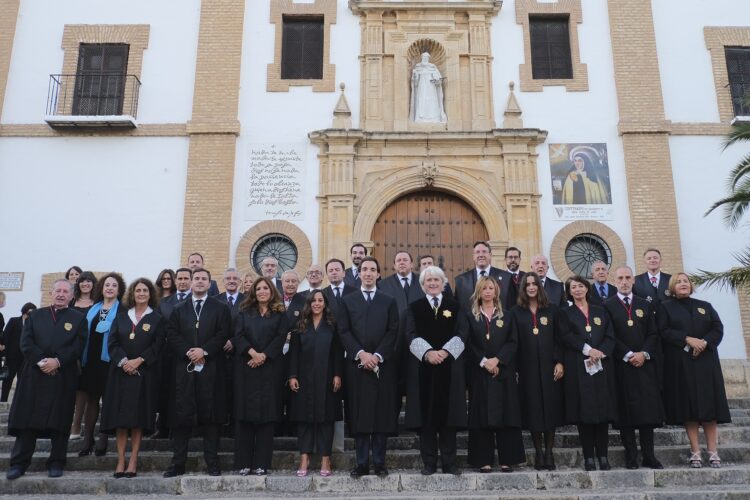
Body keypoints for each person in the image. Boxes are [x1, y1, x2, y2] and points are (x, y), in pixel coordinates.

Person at [5, 280, 86, 480]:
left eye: (65, 291)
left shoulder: (78, 318)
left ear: (71, 295)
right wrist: (43, 362)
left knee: (60, 420)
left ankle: (56, 462)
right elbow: (26, 342)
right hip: (34, 374)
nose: (61, 294)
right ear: (51, 293)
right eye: (57, 290)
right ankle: (19, 463)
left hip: (62, 375)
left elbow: (78, 346)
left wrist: (57, 361)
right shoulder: (36, 316)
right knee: (27, 420)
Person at [658, 272, 730, 468]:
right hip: (682, 363)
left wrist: (704, 343)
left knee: (710, 408)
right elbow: (664, 331)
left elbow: (718, 328)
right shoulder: (665, 307)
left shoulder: (704, 306)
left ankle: (713, 452)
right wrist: (688, 340)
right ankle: (695, 451)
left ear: (691, 285)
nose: (683, 284)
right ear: (672, 287)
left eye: (686, 281)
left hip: (706, 363)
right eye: (678, 282)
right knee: (689, 408)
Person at [163, 268, 231, 477]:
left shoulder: (220, 308)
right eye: (197, 279)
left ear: (210, 284)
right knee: (182, 417)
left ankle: (212, 463)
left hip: (211, 369)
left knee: (211, 418)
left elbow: (224, 333)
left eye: (204, 279)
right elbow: (171, 333)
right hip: (185, 369)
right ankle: (178, 464)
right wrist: (189, 351)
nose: (200, 282)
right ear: (190, 282)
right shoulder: (178, 308)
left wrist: (205, 350)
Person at [338, 257, 399, 478]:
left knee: (381, 417)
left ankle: (380, 463)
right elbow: (343, 330)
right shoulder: (348, 301)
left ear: (378, 274)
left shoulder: (388, 300)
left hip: (382, 367)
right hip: (357, 366)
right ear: (359, 274)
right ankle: (362, 463)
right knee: (360, 416)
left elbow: (393, 331)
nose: (368, 273)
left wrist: (377, 356)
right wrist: (361, 354)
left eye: (373, 269)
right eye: (364, 269)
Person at [404, 266, 466, 475]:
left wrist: (446, 352)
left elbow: (462, 332)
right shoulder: (414, 307)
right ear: (422, 285)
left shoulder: (454, 307)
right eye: (428, 280)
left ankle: (449, 462)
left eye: (436, 280)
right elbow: (409, 334)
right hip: (424, 369)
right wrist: (428, 352)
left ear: (443, 283)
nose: (432, 283)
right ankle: (429, 462)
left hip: (449, 369)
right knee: (427, 418)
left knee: (448, 419)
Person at [458, 276, 524, 473]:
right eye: (484, 288)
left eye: (491, 288)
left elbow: (513, 342)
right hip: (479, 373)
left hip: (503, 372)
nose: (488, 291)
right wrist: (484, 362)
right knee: (480, 415)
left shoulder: (508, 315)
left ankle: (508, 459)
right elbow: (467, 343)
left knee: (507, 413)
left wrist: (498, 360)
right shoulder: (469, 316)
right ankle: (483, 459)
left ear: (497, 292)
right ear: (479, 291)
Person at [101, 278, 165, 478]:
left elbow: (158, 345)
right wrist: (124, 361)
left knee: (137, 420)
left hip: (143, 375)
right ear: (132, 293)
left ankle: (133, 460)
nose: (142, 293)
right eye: (138, 290)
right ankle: (120, 460)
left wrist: (139, 360)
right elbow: (112, 343)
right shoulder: (121, 317)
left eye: (145, 290)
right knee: (121, 420)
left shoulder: (157, 319)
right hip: (120, 374)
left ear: (151, 294)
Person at [603, 266, 664, 470]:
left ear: (633, 280)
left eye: (628, 277)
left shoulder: (644, 304)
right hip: (622, 366)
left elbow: (653, 333)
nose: (624, 281)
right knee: (626, 413)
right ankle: (631, 455)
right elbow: (609, 335)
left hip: (644, 365)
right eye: (620, 278)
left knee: (647, 413)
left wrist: (643, 354)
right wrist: (628, 354)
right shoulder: (607, 305)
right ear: (615, 280)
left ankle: (649, 455)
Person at [233, 277, 288, 476]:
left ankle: (261, 463)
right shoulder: (244, 312)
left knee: (267, 417)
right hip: (247, 368)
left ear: (272, 291)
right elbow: (238, 336)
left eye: (266, 288)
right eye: (259, 288)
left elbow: (281, 336)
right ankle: (244, 463)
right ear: (253, 292)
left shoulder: (280, 314)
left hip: (270, 368)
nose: (262, 291)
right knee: (245, 416)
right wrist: (252, 353)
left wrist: (264, 355)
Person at [561, 275, 617, 471]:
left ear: (587, 288)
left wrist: (600, 352)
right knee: (584, 413)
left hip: (601, 366)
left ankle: (603, 456)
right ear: (569, 291)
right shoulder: (565, 313)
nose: (577, 290)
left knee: (602, 412)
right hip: (579, 366)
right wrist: (588, 350)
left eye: (580, 286)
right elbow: (566, 336)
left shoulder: (600, 311)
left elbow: (610, 335)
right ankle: (589, 458)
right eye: (573, 287)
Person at [512, 272, 565, 470]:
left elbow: (560, 338)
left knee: (549, 409)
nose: (532, 287)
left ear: (540, 287)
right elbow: (514, 342)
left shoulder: (552, 310)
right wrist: (516, 368)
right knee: (533, 409)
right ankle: (538, 453)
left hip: (549, 368)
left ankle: (549, 452)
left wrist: (559, 362)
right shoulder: (516, 312)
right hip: (527, 370)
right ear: (523, 288)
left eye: (535, 284)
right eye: (528, 284)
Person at [288, 290, 343, 477]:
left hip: (327, 378)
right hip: (304, 378)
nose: (317, 303)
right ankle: (304, 457)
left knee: (326, 419)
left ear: (325, 304)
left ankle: (326, 458)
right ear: (309, 303)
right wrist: (292, 375)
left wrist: (337, 374)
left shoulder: (332, 325)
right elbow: (293, 352)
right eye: (314, 300)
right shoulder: (300, 325)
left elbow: (337, 352)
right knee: (304, 420)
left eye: (320, 300)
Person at [79, 272, 126, 457]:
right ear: (102, 288)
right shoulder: (93, 308)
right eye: (107, 285)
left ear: (119, 289)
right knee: (91, 399)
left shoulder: (123, 310)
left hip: (110, 360)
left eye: (114, 285)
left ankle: (103, 439)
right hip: (90, 359)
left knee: (108, 400)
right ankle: (87, 438)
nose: (110, 288)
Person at [152, 267, 192, 440]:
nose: (182, 281)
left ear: (190, 280)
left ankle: (188, 427)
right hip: (168, 354)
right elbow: (159, 329)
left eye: (185, 278)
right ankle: (163, 427)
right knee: (166, 391)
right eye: (180, 279)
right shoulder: (164, 303)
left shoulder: (198, 300)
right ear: (175, 281)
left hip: (190, 354)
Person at [70, 271, 97, 440]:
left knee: (83, 389)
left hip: (89, 351)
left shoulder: (97, 304)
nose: (85, 284)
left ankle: (76, 425)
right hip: (71, 349)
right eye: (82, 281)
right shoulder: (71, 302)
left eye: (89, 281)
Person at [0, 303, 37, 403]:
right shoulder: (14, 320)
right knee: (8, 379)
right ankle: (3, 401)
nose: (30, 315)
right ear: (24, 311)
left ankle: (18, 402)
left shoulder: (33, 325)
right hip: (12, 357)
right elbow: (6, 336)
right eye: (29, 313)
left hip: (25, 358)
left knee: (22, 381)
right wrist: (4, 354)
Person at [454, 241, 504, 313]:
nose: (481, 255)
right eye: (477, 252)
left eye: (484, 252)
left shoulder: (506, 278)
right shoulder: (461, 280)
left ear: (490, 255)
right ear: (473, 257)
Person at [410, 52, 447, 123]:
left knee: (432, 101)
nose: (425, 59)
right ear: (421, 58)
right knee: (421, 101)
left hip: (431, 88)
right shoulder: (418, 67)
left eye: (426, 58)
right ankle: (420, 118)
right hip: (421, 87)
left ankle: (434, 118)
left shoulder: (432, 67)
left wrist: (437, 80)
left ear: (428, 59)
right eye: (424, 57)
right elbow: (415, 82)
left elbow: (438, 80)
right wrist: (415, 75)